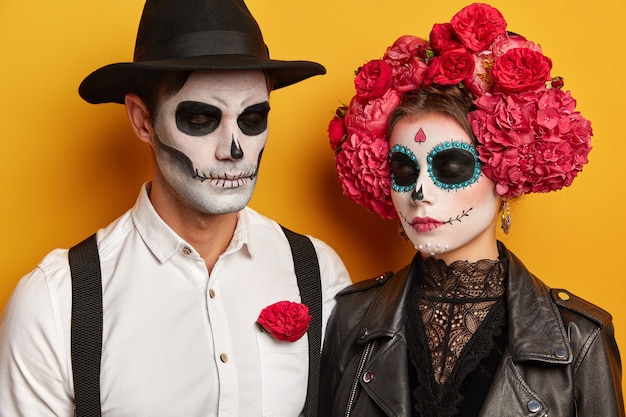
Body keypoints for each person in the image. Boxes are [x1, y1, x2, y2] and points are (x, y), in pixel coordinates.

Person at [0, 0, 351, 415]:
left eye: (252, 118)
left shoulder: (317, 272)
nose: (234, 150)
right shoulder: (57, 303)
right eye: (201, 119)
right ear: (142, 120)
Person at [320, 3, 624, 416]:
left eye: (450, 167)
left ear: (507, 171)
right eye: (404, 168)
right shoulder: (350, 319)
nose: (420, 191)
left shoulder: (578, 337)